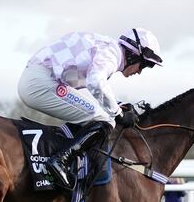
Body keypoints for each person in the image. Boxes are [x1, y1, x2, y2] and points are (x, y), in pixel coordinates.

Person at [18, 28, 163, 189]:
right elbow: (95, 82)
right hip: (40, 81)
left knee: (102, 114)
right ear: (133, 54)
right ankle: (61, 160)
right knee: (105, 119)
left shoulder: (106, 48)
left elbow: (85, 87)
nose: (140, 72)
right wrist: (118, 113)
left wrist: (118, 104)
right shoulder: (111, 54)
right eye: (144, 65)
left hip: (42, 77)